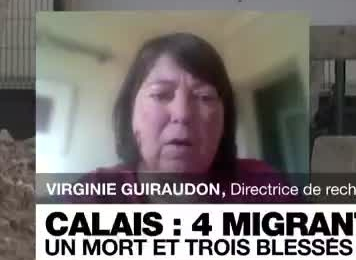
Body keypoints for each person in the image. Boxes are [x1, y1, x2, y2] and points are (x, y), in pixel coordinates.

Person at [67, 32, 302, 203]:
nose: (183, 114)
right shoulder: (95, 194)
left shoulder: (262, 185)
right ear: (130, 113)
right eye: (160, 94)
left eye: (204, 97)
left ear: (224, 120)